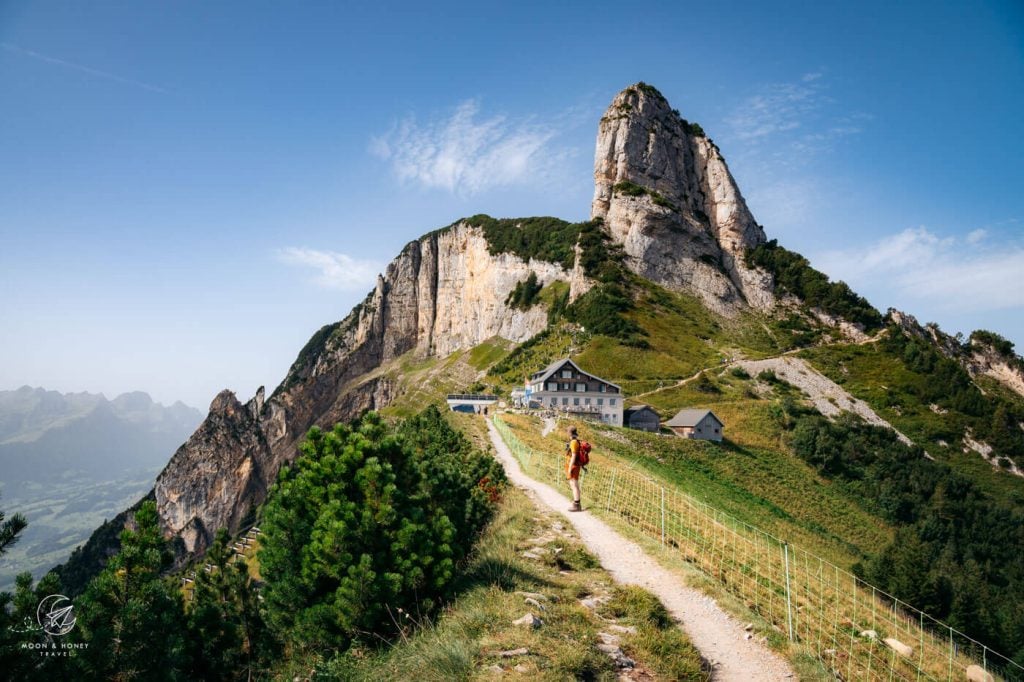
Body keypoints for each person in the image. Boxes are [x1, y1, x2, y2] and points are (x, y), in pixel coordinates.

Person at [565, 425, 583, 512]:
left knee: (574, 485)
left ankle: (577, 505)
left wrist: (570, 467)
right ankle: (576, 502)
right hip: (575, 465)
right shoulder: (576, 441)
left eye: (567, 431)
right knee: (573, 484)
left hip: (573, 466)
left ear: (570, 433)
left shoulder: (573, 442)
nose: (567, 433)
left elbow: (574, 455)